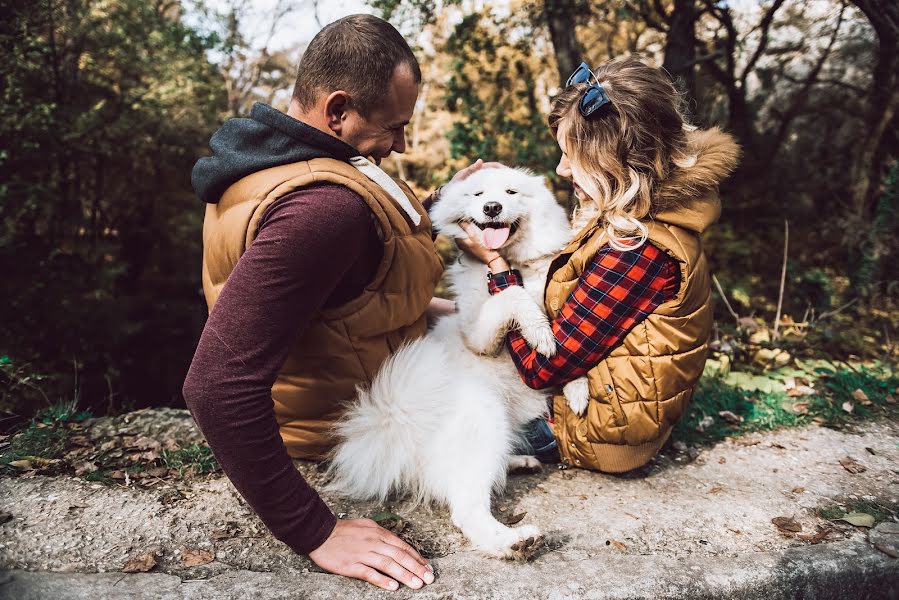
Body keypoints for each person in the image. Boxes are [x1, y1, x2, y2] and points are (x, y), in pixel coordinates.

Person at [183, 14, 488, 592]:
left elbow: (343, 275)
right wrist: (315, 530)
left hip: (351, 397)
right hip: (355, 431)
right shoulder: (323, 210)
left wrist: (435, 204)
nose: (402, 142)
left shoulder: (269, 161)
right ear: (338, 110)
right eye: (395, 125)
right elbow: (215, 385)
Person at [458, 57, 740, 473]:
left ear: (618, 158)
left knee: (455, 391)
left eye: (572, 156)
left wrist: (498, 270)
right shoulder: (642, 216)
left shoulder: (637, 251)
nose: (560, 169)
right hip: (606, 402)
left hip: (595, 428)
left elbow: (542, 368)